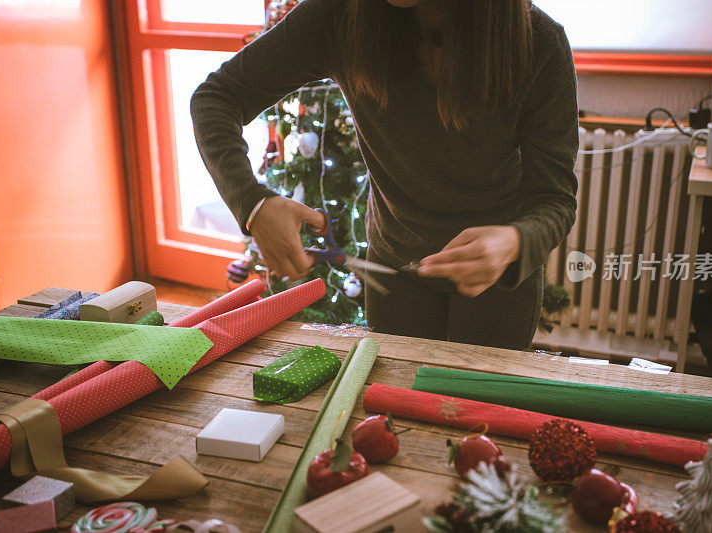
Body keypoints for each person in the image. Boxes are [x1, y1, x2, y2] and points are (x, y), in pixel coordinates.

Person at [191, 0, 578, 350]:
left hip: (498, 283)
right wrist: (254, 203)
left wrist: (514, 241)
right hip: (394, 273)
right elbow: (217, 98)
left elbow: (555, 199)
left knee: (481, 416)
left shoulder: (539, 42)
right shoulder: (339, 15)